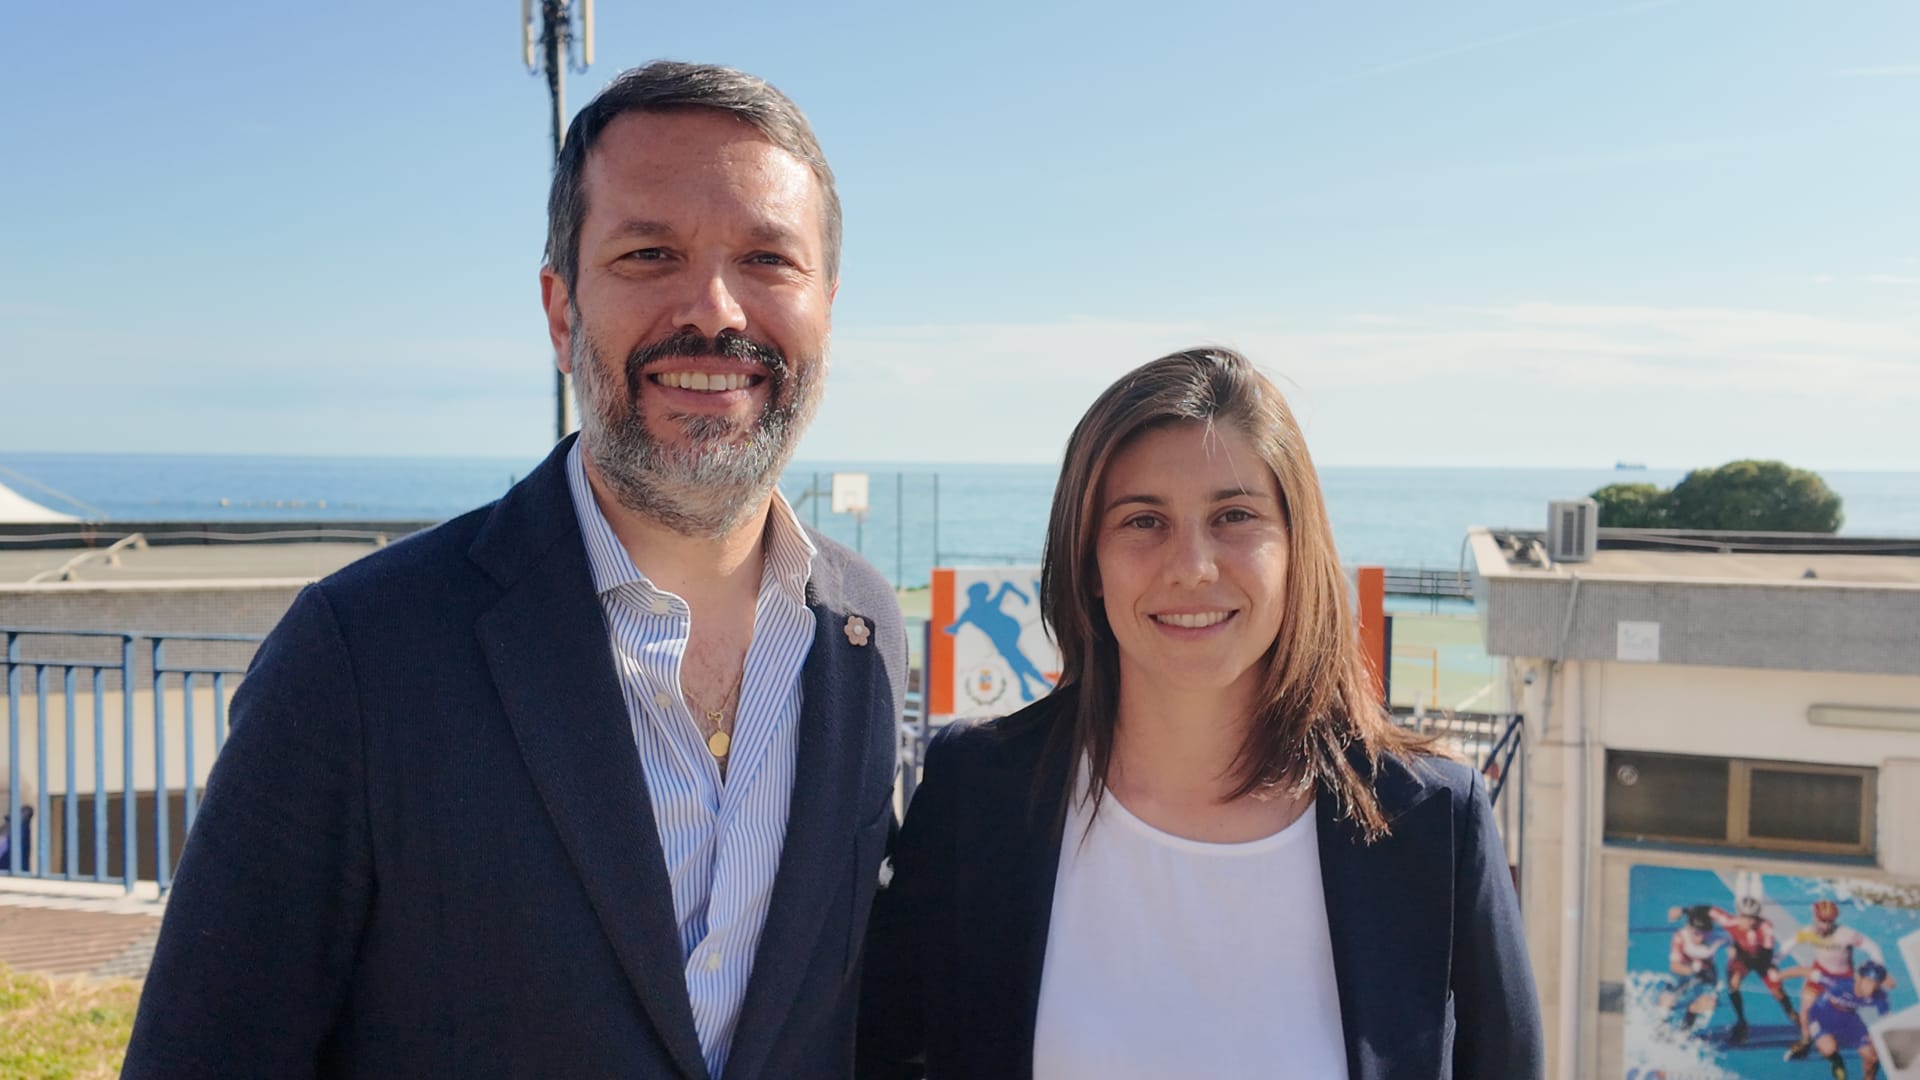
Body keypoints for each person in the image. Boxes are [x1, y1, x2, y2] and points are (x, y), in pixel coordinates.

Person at [124, 61, 905, 1080]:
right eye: (649, 253)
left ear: (827, 308)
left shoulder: (861, 630)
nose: (715, 309)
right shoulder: (361, 656)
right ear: (561, 311)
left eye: (766, 258)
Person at [857, 348, 1543, 1079]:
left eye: (1234, 516)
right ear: (1088, 562)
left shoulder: (1432, 822)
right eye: (1143, 520)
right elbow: (877, 1052)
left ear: (1297, 549)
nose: (1192, 566)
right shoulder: (976, 794)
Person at [1787, 899, 1895, 1062]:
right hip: (1821, 973)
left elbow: (1872, 947)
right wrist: (1774, 961)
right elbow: (1789, 943)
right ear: (1815, 918)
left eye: (1829, 922)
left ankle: (1839, 1036)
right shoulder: (1809, 931)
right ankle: (1806, 1040)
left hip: (1843, 978)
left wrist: (1879, 970)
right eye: (1821, 921)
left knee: (1843, 1008)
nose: (1825, 925)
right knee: (1805, 1011)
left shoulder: (1846, 934)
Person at [1704, 894, 1799, 1044]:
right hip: (1741, 960)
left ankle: (1793, 1015)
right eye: (1744, 917)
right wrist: (1682, 911)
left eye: (1752, 918)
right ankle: (1741, 1022)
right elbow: (1707, 910)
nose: (1748, 922)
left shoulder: (1765, 927)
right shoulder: (1729, 921)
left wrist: (1737, 951)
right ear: (1738, 915)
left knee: (1777, 991)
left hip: (1762, 960)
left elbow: (1766, 956)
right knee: (1733, 984)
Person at [1802, 960, 1892, 1080]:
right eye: (1869, 982)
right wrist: (1779, 976)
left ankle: (1869, 1078)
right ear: (1860, 979)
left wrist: (1875, 1038)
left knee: (1871, 1056)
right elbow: (1808, 972)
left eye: (1876, 984)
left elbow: (1886, 1022)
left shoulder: (1880, 997)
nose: (1871, 988)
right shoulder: (1839, 984)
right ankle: (1836, 1061)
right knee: (1828, 1050)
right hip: (1821, 1015)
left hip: (1848, 1018)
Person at [1659, 905, 1730, 1033]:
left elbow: (1736, 932)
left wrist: (1734, 951)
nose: (1701, 938)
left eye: (1705, 933)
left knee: (1709, 1004)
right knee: (1667, 999)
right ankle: (1662, 1026)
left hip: (1706, 973)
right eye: (1697, 933)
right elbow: (1675, 966)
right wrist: (1692, 970)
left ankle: (1685, 1029)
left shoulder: (1718, 937)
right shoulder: (1681, 937)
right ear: (1689, 928)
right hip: (1683, 971)